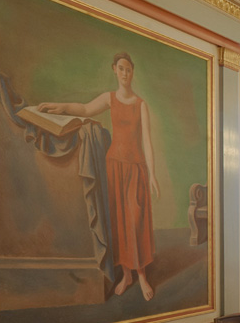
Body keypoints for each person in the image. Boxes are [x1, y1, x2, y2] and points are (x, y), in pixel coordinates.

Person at [39, 52, 159, 301]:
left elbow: (147, 141)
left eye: (129, 69)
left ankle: (142, 275)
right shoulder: (109, 98)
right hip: (114, 166)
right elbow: (85, 109)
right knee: (119, 221)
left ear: (132, 72)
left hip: (135, 168)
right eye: (121, 68)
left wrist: (152, 174)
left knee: (135, 220)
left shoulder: (141, 104)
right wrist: (61, 106)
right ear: (115, 69)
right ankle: (127, 275)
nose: (125, 73)